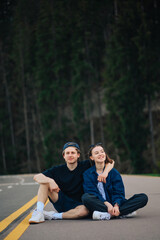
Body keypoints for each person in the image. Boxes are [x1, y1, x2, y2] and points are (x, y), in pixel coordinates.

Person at [29, 142, 114, 223]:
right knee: (44, 182)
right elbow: (37, 177)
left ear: (78, 155)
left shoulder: (86, 165)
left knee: (84, 211)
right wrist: (50, 180)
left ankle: (54, 215)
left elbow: (110, 162)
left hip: (79, 205)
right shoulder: (57, 170)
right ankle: (39, 213)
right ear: (64, 156)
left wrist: (105, 172)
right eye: (67, 153)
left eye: (73, 153)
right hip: (60, 200)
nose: (70, 155)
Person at [82, 143, 148, 220]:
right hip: (100, 204)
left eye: (102, 151)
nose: (100, 154)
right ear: (91, 157)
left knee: (143, 198)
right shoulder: (87, 174)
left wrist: (116, 205)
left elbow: (119, 192)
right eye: (96, 153)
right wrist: (107, 205)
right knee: (86, 198)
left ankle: (108, 214)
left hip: (115, 203)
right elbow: (92, 192)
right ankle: (123, 212)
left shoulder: (113, 172)